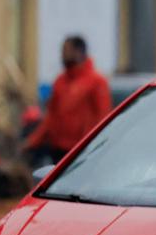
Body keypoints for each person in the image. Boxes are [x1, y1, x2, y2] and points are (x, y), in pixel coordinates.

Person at [24, 35, 111, 165]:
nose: (62, 55)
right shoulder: (60, 81)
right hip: (58, 150)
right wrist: (33, 141)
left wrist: (94, 147)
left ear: (78, 52)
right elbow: (51, 118)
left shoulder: (96, 82)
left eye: (66, 50)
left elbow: (103, 118)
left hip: (83, 152)